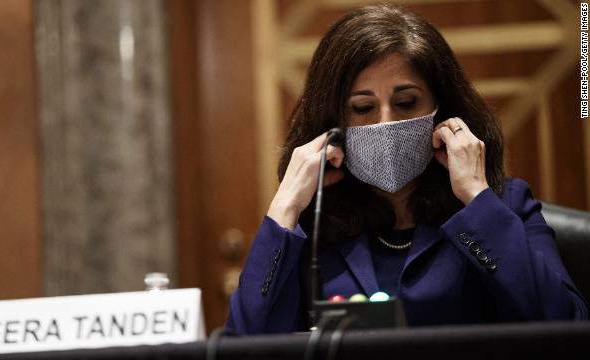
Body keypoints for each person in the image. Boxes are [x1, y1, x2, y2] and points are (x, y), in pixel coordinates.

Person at [226, 4, 588, 334]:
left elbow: (568, 325)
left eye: (406, 102)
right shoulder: (313, 222)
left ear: (442, 112)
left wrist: (476, 199)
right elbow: (243, 343)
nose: (386, 122)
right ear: (332, 122)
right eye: (363, 108)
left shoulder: (501, 204)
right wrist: (286, 205)